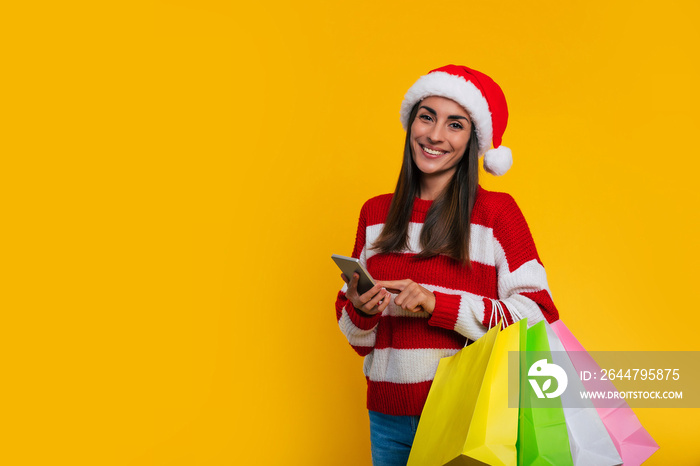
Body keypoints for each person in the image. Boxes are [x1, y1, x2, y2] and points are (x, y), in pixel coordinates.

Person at [334, 64, 559, 466]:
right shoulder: (374, 213)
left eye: (455, 124)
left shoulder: (496, 213)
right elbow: (357, 338)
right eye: (427, 117)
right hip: (386, 416)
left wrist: (439, 304)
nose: (435, 135)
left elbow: (538, 318)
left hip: (467, 417)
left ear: (473, 140)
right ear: (412, 123)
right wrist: (363, 310)